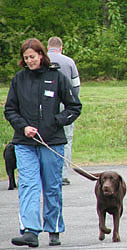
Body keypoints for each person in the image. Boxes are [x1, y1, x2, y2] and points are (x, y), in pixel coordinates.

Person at [5, 38, 82, 247]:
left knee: (52, 187)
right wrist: (23, 127)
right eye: (26, 57)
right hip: (24, 143)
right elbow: (10, 110)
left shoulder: (56, 77)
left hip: (52, 142)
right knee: (29, 185)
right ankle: (30, 230)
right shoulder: (19, 80)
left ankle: (54, 228)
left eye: (32, 56)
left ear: (41, 55)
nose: (29, 61)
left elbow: (74, 107)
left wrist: (56, 122)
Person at [47, 36, 81, 186]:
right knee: (67, 138)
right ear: (61, 48)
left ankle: (46, 173)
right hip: (64, 105)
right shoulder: (69, 61)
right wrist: (72, 101)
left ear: (48, 48)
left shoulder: (41, 60)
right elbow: (76, 86)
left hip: (45, 106)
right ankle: (63, 174)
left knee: (45, 139)